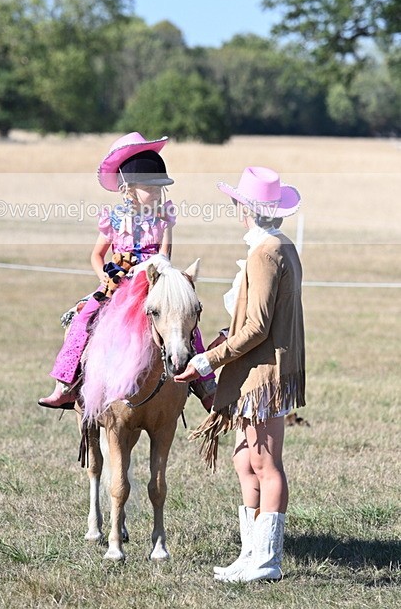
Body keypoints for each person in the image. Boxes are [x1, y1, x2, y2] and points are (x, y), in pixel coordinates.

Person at [175, 166, 305, 583]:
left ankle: (267, 562)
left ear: (245, 208)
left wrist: (207, 360)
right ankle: (251, 554)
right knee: (245, 462)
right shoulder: (279, 246)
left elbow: (257, 326)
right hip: (258, 370)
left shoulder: (264, 253)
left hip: (263, 374)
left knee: (266, 465)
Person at [38, 132, 216, 410]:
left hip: (153, 281)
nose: (157, 192)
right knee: (83, 319)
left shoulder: (163, 218)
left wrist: (158, 277)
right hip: (119, 282)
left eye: (159, 188)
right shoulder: (113, 219)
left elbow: (165, 256)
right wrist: (106, 279)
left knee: (185, 321)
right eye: (150, 187)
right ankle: (67, 383)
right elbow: (97, 256)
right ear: (129, 188)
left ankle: (205, 384)